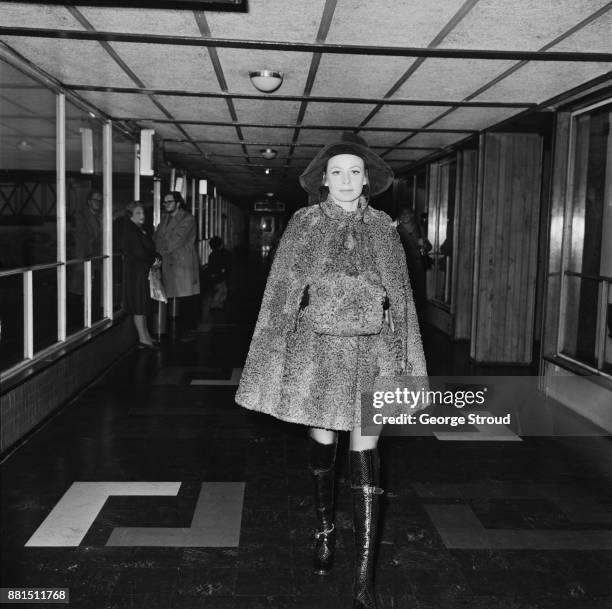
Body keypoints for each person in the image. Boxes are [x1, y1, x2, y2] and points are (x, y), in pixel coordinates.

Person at [235, 132, 427, 609]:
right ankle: (323, 531)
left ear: (367, 180)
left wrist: (408, 368)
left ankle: (365, 577)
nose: (346, 180)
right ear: (324, 179)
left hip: (374, 354)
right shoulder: (303, 224)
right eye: (337, 172)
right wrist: (269, 359)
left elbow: (401, 300)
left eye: (354, 172)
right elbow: (281, 293)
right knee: (323, 446)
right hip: (318, 356)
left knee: (367, 453)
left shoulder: (384, 227)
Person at [153, 191, 200, 341]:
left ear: (178, 203)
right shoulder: (165, 218)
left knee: (186, 297)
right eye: (165, 202)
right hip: (168, 262)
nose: (166, 204)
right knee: (176, 295)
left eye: (169, 202)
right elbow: (156, 237)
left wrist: (158, 251)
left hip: (182, 263)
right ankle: (183, 328)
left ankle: (190, 330)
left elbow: (175, 240)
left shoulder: (188, 219)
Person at [122, 201, 160, 349]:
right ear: (130, 215)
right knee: (139, 303)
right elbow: (139, 252)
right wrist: (154, 259)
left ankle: (145, 336)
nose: (142, 215)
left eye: (143, 212)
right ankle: (143, 338)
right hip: (136, 272)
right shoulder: (131, 230)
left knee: (142, 303)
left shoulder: (136, 229)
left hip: (140, 271)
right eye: (138, 213)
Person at [396, 208, 428, 317]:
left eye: (407, 213)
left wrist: (424, 245)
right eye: (402, 214)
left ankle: (418, 316)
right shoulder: (395, 230)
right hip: (403, 267)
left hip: (418, 267)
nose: (404, 216)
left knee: (418, 294)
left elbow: (428, 246)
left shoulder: (419, 229)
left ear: (412, 215)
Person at [207, 236, 232, 311]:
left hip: (216, 276)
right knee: (220, 290)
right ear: (220, 245)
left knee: (222, 289)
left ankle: (219, 303)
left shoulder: (212, 255)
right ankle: (215, 304)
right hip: (218, 276)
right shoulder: (219, 255)